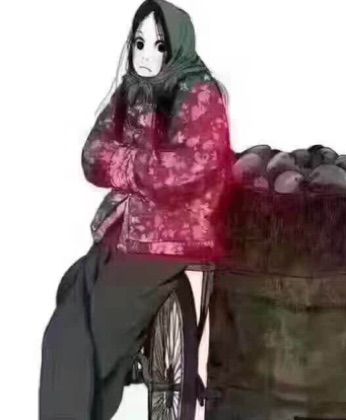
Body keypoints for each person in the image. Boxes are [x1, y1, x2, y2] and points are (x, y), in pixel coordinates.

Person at [38, 1, 235, 419]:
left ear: (177, 45)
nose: (145, 56)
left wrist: (127, 164)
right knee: (65, 319)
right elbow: (92, 155)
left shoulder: (198, 93)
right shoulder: (130, 91)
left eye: (159, 46)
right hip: (123, 230)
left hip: (171, 237)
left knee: (96, 332)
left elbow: (193, 167)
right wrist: (141, 168)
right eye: (139, 43)